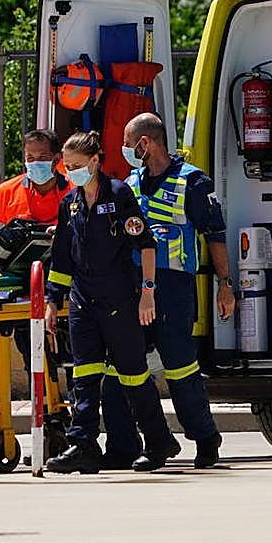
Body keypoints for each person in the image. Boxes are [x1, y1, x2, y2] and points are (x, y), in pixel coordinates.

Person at [101, 112, 236, 470]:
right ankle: (142, 443)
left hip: (173, 288)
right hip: (133, 287)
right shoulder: (130, 184)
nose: (126, 152)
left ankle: (205, 439)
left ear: (146, 143)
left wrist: (225, 285)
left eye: (130, 144)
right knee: (123, 369)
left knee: (180, 368)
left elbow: (215, 237)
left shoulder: (192, 182)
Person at [44, 131, 180, 474]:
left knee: (133, 375)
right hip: (82, 300)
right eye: (66, 165)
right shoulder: (69, 203)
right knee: (84, 375)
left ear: (94, 162)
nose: (70, 171)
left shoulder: (119, 194)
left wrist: (147, 292)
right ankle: (83, 444)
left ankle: (159, 441)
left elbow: (146, 245)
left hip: (120, 298)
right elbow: (62, 257)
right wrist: (52, 301)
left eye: (76, 165)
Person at [0, 129, 71, 260]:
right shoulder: (6, 191)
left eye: (42, 157)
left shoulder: (75, 191)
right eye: (30, 158)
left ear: (57, 159)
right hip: (13, 275)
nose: (35, 163)